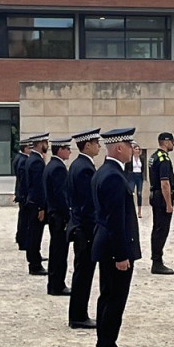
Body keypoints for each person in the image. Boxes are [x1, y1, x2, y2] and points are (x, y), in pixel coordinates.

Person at [92, 127, 142, 347]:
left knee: (108, 296)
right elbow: (115, 220)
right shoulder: (112, 176)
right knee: (114, 298)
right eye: (130, 145)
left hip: (108, 246)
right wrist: (122, 254)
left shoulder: (107, 171)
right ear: (120, 147)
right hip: (115, 249)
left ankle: (107, 343)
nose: (134, 150)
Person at [67, 128, 101, 329]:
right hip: (85, 229)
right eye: (96, 143)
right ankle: (79, 315)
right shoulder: (85, 168)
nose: (99, 146)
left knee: (82, 272)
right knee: (83, 273)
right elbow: (88, 204)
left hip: (80, 226)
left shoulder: (78, 165)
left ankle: (79, 313)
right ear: (87, 145)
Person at [44, 137, 73, 296]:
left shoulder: (52, 165)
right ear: (60, 149)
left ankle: (55, 283)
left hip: (54, 214)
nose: (69, 151)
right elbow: (61, 195)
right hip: (59, 216)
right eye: (67, 148)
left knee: (57, 250)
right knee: (59, 252)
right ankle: (57, 284)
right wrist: (68, 215)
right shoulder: (58, 168)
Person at [148, 132, 174, 275]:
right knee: (161, 230)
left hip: (155, 196)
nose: (173, 144)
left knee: (157, 229)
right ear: (166, 142)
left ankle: (156, 259)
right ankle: (157, 262)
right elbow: (165, 183)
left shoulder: (153, 157)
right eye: (172, 142)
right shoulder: (164, 158)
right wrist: (169, 204)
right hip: (162, 198)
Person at [24, 133, 50, 276]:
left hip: (32, 202)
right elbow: (38, 186)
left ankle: (34, 259)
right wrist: (41, 207)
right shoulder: (37, 162)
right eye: (46, 142)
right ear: (40, 143)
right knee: (35, 235)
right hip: (36, 204)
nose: (47, 145)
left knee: (33, 233)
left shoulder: (33, 159)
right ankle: (35, 264)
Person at [13, 138, 31, 250]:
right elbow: (23, 179)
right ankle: (23, 241)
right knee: (25, 220)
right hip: (23, 194)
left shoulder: (18, 158)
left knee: (23, 218)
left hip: (20, 193)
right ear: (25, 148)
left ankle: (20, 238)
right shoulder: (23, 160)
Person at [129, 144, 145, 218]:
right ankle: (131, 210)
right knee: (131, 192)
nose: (137, 151)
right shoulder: (130, 158)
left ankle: (139, 212)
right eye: (136, 149)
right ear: (133, 150)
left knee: (139, 194)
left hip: (139, 176)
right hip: (132, 176)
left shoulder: (141, 158)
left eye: (138, 149)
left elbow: (143, 168)